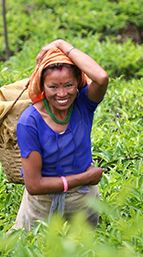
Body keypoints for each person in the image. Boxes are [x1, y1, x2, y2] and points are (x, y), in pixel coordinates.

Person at [9, 39, 109, 232]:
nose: (62, 94)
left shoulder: (83, 104)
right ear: (42, 87)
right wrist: (84, 178)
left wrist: (62, 45)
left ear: (78, 83)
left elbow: (102, 78)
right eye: (53, 87)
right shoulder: (29, 122)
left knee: (83, 255)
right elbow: (34, 185)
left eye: (69, 85)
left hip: (81, 200)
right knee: (30, 256)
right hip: (42, 204)